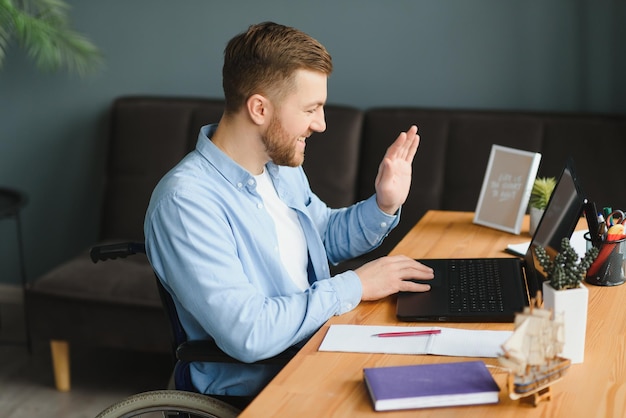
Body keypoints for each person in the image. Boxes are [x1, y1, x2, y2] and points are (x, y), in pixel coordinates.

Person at [144, 21, 434, 402]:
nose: (322, 124)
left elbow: (324, 236)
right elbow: (250, 332)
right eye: (311, 109)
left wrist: (384, 202)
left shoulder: (280, 169)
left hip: (314, 349)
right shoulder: (185, 203)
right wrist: (357, 285)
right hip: (263, 389)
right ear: (259, 108)